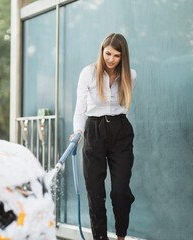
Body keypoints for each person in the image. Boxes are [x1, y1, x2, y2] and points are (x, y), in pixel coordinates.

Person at [69, 33, 137, 240]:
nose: (110, 59)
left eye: (116, 56)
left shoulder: (130, 75)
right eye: (108, 53)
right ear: (102, 51)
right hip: (93, 131)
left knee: (120, 192)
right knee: (95, 193)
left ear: (122, 57)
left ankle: (121, 236)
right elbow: (80, 108)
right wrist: (78, 131)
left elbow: (124, 108)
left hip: (120, 132)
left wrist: (116, 126)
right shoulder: (88, 73)